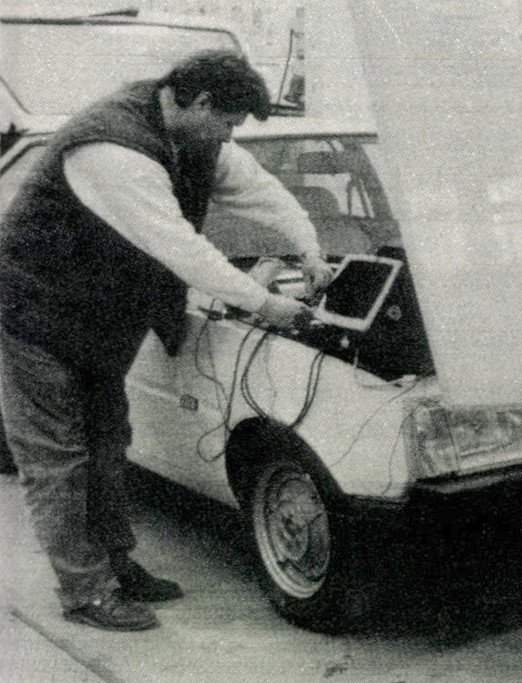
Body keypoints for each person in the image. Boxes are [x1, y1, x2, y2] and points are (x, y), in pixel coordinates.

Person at [0, 50, 333, 632]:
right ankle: (86, 592)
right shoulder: (111, 149)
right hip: (33, 316)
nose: (229, 137)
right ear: (200, 103)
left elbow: (263, 192)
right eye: (227, 123)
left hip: (100, 321)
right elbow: (181, 249)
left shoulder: (192, 136)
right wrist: (266, 304)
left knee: (108, 445)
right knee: (60, 461)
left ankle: (115, 566)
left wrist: (309, 249)